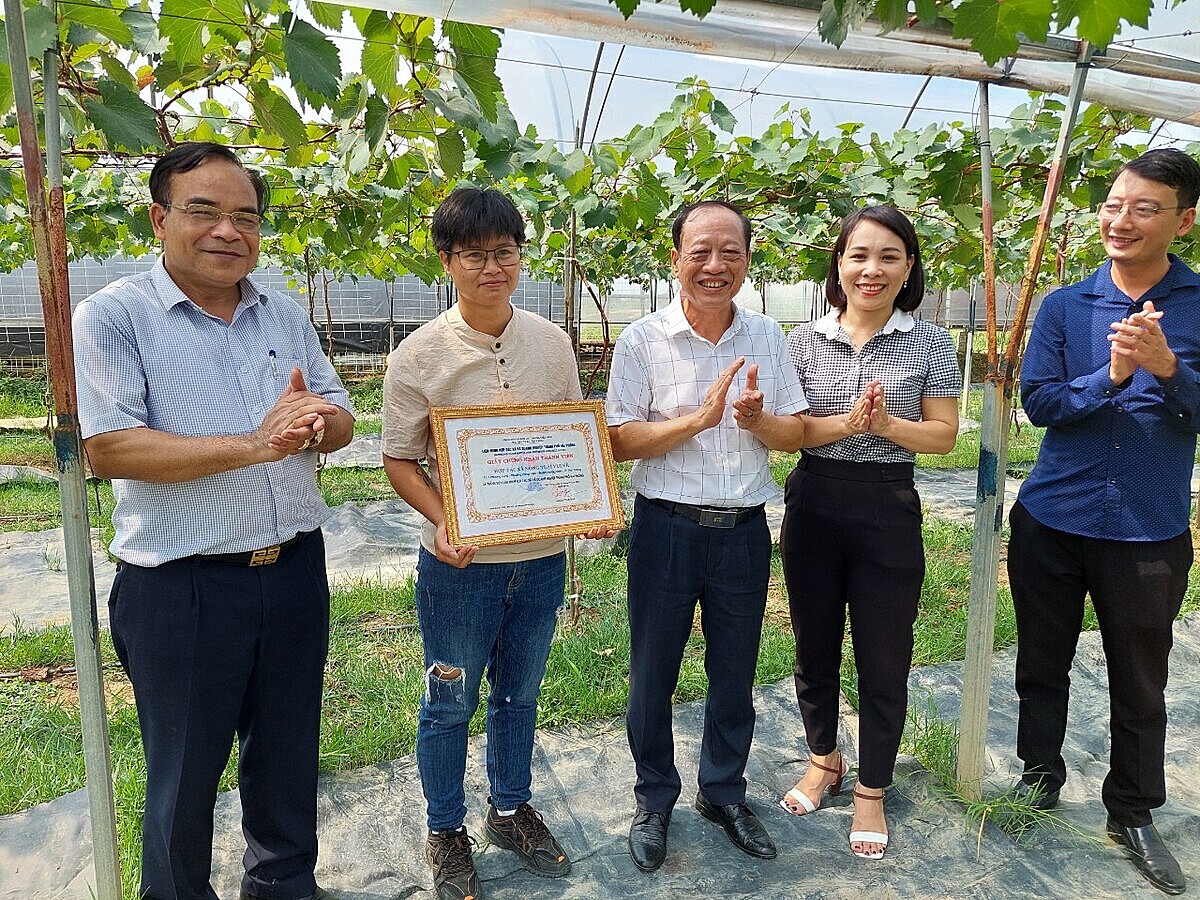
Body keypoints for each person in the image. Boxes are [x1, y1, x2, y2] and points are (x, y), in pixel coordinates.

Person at [73, 142, 355, 900]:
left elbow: (339, 412)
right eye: (204, 211)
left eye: (246, 217)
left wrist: (320, 423)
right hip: (184, 585)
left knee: (289, 757)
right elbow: (109, 446)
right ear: (160, 217)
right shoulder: (114, 316)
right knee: (185, 774)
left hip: (294, 569)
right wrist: (256, 444)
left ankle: (284, 887)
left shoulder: (283, 313)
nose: (228, 231)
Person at [382, 187, 610, 900]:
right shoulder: (417, 356)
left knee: (521, 694)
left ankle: (510, 808)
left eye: (505, 253)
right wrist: (443, 521)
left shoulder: (551, 343)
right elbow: (398, 460)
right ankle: (446, 828)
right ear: (447, 261)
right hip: (460, 567)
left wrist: (591, 504)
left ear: (519, 256)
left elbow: (573, 443)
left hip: (539, 562)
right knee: (449, 700)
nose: (493, 267)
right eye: (475, 255)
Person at [1008, 148, 1200, 896]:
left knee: (1142, 677)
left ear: (1184, 220)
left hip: (1148, 529)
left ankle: (1132, 810)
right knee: (1040, 662)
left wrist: (1168, 369)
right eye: (1114, 203)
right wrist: (1111, 375)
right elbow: (1042, 404)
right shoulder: (1064, 307)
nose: (1120, 219)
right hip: (1053, 519)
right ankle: (1039, 772)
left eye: (1143, 207)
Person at [606, 199, 809, 873]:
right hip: (666, 530)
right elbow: (618, 439)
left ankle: (723, 793)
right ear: (676, 260)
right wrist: (698, 420)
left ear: (748, 261)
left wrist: (756, 422)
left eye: (731, 252)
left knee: (734, 673)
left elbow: (794, 432)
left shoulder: (769, 338)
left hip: (743, 533)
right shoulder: (642, 341)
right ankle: (654, 797)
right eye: (701, 251)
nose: (715, 265)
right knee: (652, 675)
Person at [777, 205, 959, 860]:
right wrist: (847, 426)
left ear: (909, 267)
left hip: (888, 507)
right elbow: (792, 430)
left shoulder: (932, 342)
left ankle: (872, 787)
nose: (871, 269)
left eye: (888, 256)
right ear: (839, 263)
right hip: (815, 501)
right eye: (858, 255)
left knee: (885, 655)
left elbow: (942, 434)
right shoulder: (802, 340)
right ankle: (824, 759)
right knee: (814, 645)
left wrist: (885, 428)